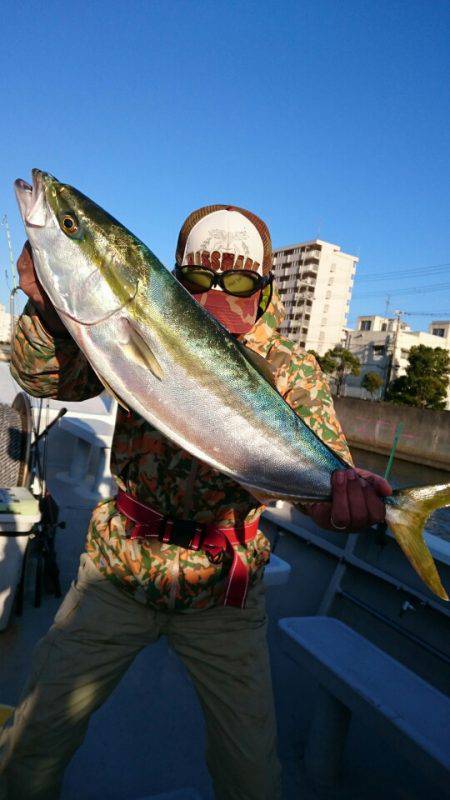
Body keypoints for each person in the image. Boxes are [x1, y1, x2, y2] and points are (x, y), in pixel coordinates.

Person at [0, 205, 391, 800]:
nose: (217, 291)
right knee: (33, 739)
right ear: (174, 278)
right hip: (119, 568)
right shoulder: (135, 321)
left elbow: (320, 497)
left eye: (237, 280)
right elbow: (44, 380)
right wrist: (45, 305)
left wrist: (345, 503)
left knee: (251, 775)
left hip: (224, 589)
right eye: (198, 278)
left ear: (262, 288)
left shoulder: (292, 370)